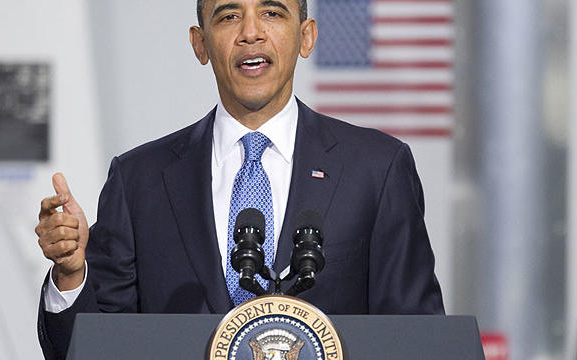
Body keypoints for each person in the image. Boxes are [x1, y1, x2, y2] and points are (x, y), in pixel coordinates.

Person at [35, 0, 444, 358]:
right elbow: (93, 349)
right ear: (200, 44)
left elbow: (417, 338)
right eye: (229, 15)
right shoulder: (139, 179)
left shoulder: (377, 168)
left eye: (271, 12)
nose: (251, 33)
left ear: (306, 36)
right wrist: (71, 276)